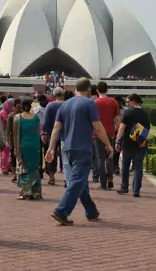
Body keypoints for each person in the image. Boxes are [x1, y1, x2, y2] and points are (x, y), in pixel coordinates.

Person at [46, 78, 113, 225]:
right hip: (83, 148)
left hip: (67, 148)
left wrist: (51, 148)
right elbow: (98, 127)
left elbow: (56, 128)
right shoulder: (90, 103)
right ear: (89, 89)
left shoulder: (64, 105)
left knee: (80, 181)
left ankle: (91, 211)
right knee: (77, 180)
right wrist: (108, 144)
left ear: (76, 89)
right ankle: (61, 211)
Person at [115, 94, 150, 197]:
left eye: (128, 101)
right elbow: (147, 129)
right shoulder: (145, 114)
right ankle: (136, 190)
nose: (127, 103)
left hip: (128, 143)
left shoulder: (127, 112)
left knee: (125, 166)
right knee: (138, 167)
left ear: (133, 101)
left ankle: (124, 187)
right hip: (141, 143)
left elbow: (121, 128)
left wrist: (117, 141)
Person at [13, 99, 43, 199]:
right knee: (34, 167)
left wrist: (16, 150)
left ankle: (26, 192)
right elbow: (38, 133)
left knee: (24, 167)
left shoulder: (17, 118)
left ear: (21, 107)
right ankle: (36, 192)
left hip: (24, 145)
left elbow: (15, 135)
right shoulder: (36, 118)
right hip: (35, 145)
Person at [93, 82, 120, 190]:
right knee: (109, 156)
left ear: (97, 91)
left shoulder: (94, 103)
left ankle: (103, 182)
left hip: (97, 133)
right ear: (107, 90)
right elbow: (118, 120)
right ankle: (110, 177)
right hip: (110, 132)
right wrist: (119, 135)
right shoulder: (113, 102)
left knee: (100, 158)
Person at [41, 87, 64, 185]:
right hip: (65, 134)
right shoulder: (67, 104)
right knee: (65, 156)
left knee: (51, 154)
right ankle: (67, 177)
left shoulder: (50, 106)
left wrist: (44, 132)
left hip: (52, 133)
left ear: (54, 95)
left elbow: (45, 122)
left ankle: (51, 176)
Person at [6, 98, 22, 182]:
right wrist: (7, 140)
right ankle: (14, 175)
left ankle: (20, 174)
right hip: (14, 139)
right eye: (17, 104)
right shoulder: (11, 116)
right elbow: (8, 129)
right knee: (13, 157)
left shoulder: (24, 115)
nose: (18, 106)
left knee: (21, 157)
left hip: (22, 139)